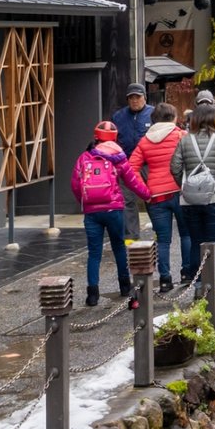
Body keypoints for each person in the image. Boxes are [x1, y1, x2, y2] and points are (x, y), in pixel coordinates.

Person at [72, 120, 151, 306]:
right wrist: (148, 195)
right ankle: (125, 287)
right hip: (114, 209)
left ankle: (92, 294)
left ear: (96, 137)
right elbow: (133, 182)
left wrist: (85, 203)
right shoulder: (118, 158)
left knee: (94, 253)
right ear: (115, 138)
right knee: (118, 247)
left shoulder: (84, 158)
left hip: (91, 212)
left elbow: (75, 184)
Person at [170, 102, 215, 299]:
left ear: (194, 120)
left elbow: (175, 167)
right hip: (214, 198)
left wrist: (185, 186)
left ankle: (198, 284)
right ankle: (210, 286)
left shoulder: (185, 141)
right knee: (214, 241)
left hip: (189, 201)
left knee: (196, 241)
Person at [129, 102, 188, 293]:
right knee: (186, 234)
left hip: (155, 197)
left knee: (163, 240)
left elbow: (131, 168)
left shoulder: (144, 141)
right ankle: (187, 273)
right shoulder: (180, 135)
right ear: (173, 118)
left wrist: (144, 192)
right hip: (180, 193)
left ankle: (165, 279)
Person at [111, 83, 153, 242]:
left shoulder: (153, 114)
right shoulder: (118, 116)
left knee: (152, 197)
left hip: (148, 164)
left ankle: (159, 230)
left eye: (138, 97)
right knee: (127, 199)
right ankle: (131, 237)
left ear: (144, 97)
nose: (135, 100)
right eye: (131, 98)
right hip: (126, 164)